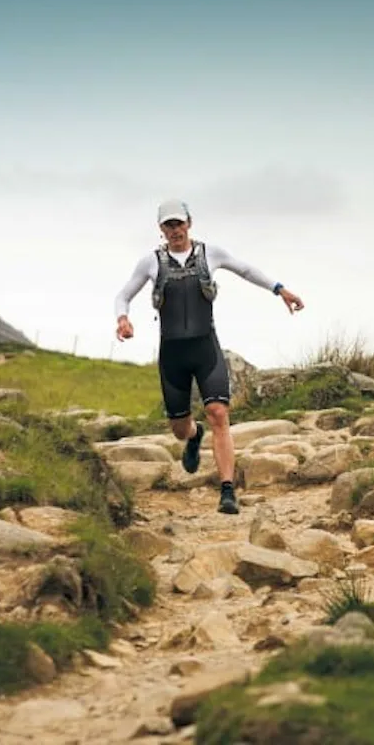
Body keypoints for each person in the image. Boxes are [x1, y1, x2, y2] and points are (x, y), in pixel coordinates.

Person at [113, 199, 305, 514]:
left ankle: (227, 490)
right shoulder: (150, 262)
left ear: (189, 223)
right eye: (168, 225)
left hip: (206, 348)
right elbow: (123, 295)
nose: (175, 230)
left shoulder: (210, 254)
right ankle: (193, 435)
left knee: (218, 412)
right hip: (172, 353)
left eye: (179, 223)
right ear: (161, 229)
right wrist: (123, 318)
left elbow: (246, 270)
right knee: (179, 428)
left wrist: (280, 289)